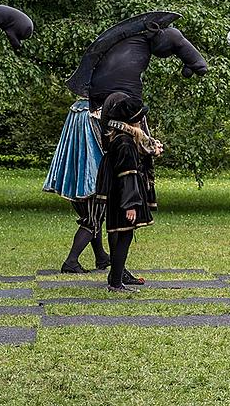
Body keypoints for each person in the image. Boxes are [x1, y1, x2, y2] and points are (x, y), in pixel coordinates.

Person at [94, 93, 158, 292]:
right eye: (139, 117)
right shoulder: (125, 143)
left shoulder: (121, 138)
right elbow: (126, 175)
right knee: (124, 237)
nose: (141, 121)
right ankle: (115, 282)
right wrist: (130, 205)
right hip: (122, 199)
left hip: (117, 197)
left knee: (123, 236)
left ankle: (116, 278)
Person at [44, 99, 110, 273]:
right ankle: (71, 261)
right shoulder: (94, 112)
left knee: (94, 218)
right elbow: (102, 141)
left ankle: (101, 256)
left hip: (76, 172)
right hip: (93, 173)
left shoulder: (76, 109)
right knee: (92, 219)